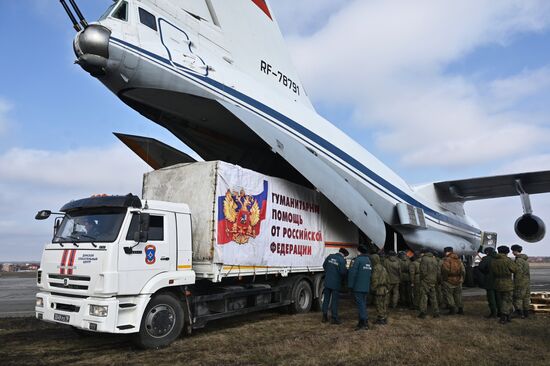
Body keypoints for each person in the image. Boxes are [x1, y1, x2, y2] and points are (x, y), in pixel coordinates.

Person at [490, 246, 517, 324]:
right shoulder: (508, 260)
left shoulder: (494, 260)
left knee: (502, 300)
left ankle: (506, 315)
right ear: (507, 252)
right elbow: (514, 269)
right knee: (507, 300)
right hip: (507, 282)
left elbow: (492, 271)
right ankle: (504, 316)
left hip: (497, 282)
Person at [322, 248, 349, 324]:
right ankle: (334, 318)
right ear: (344, 254)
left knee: (326, 299)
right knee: (334, 301)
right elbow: (343, 272)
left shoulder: (330, 256)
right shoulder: (342, 260)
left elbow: (324, 266)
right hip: (336, 284)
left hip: (327, 282)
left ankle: (324, 316)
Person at [348, 246, 372, 330]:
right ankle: (363, 322)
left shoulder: (357, 260)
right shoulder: (368, 260)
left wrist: (350, 286)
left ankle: (363, 323)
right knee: (363, 304)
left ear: (359, 252)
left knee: (360, 304)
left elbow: (352, 273)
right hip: (366, 287)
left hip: (358, 287)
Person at [441, 246, 465, 315]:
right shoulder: (458, 259)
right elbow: (463, 271)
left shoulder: (446, 260)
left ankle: (452, 310)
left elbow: (445, 270)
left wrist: (445, 278)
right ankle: (460, 309)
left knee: (449, 295)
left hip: (449, 280)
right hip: (458, 279)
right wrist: (462, 278)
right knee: (458, 295)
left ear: (446, 252)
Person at [478, 247, 500, 318]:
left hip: (489, 280)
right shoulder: (499, 258)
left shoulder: (486, 259)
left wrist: (486, 272)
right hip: (499, 281)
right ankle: (500, 312)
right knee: (499, 297)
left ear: (487, 252)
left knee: (491, 298)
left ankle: (493, 313)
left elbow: (480, 267)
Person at [418, 249, 440, 318]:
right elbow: (438, 271)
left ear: (424, 253)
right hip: (433, 280)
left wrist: (421, 278)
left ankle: (423, 312)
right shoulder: (434, 259)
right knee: (433, 297)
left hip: (425, 281)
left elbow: (423, 271)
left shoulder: (424, 259)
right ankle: (436, 312)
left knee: (423, 297)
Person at [511, 244, 530, 319]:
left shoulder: (518, 260)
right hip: (526, 281)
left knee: (517, 297)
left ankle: (519, 312)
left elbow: (518, 272)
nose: (512, 252)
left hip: (520, 282)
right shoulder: (525, 260)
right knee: (526, 297)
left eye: (513, 250)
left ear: (515, 251)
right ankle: (526, 312)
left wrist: (516, 283)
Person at [370, 253, 389, 325]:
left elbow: (374, 280)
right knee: (384, 304)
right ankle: (384, 317)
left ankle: (381, 318)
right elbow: (387, 279)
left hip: (378, 289)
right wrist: (387, 288)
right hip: (384, 289)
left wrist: (373, 288)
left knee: (378, 304)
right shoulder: (383, 267)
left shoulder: (375, 268)